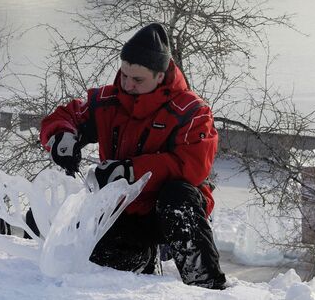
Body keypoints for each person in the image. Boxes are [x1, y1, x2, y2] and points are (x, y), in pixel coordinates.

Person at [40, 23, 226, 289]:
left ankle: (206, 286)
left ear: (160, 75)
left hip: (166, 212)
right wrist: (61, 137)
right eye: (124, 75)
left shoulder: (192, 112)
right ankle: (143, 265)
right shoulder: (107, 101)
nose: (127, 84)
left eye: (137, 80)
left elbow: (193, 166)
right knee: (89, 257)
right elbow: (65, 116)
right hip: (120, 210)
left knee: (179, 196)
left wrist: (130, 171)